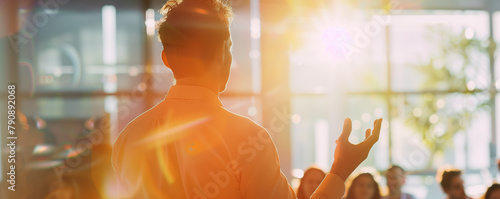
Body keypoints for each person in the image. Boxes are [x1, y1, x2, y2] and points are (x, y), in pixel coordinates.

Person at [111, 0, 383, 198]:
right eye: (230, 47)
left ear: (166, 58)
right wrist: (339, 171)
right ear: (222, 52)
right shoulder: (248, 140)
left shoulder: (127, 140)